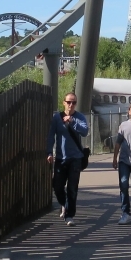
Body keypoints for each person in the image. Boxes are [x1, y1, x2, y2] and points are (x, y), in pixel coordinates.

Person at [47, 92, 89, 226]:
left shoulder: (79, 117)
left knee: (72, 188)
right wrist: (49, 152)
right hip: (60, 157)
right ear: (63, 102)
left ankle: (69, 215)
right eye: (69, 102)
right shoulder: (56, 118)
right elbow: (51, 136)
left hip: (75, 158)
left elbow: (85, 131)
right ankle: (64, 204)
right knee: (57, 186)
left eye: (74, 102)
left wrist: (72, 123)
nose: (71, 105)